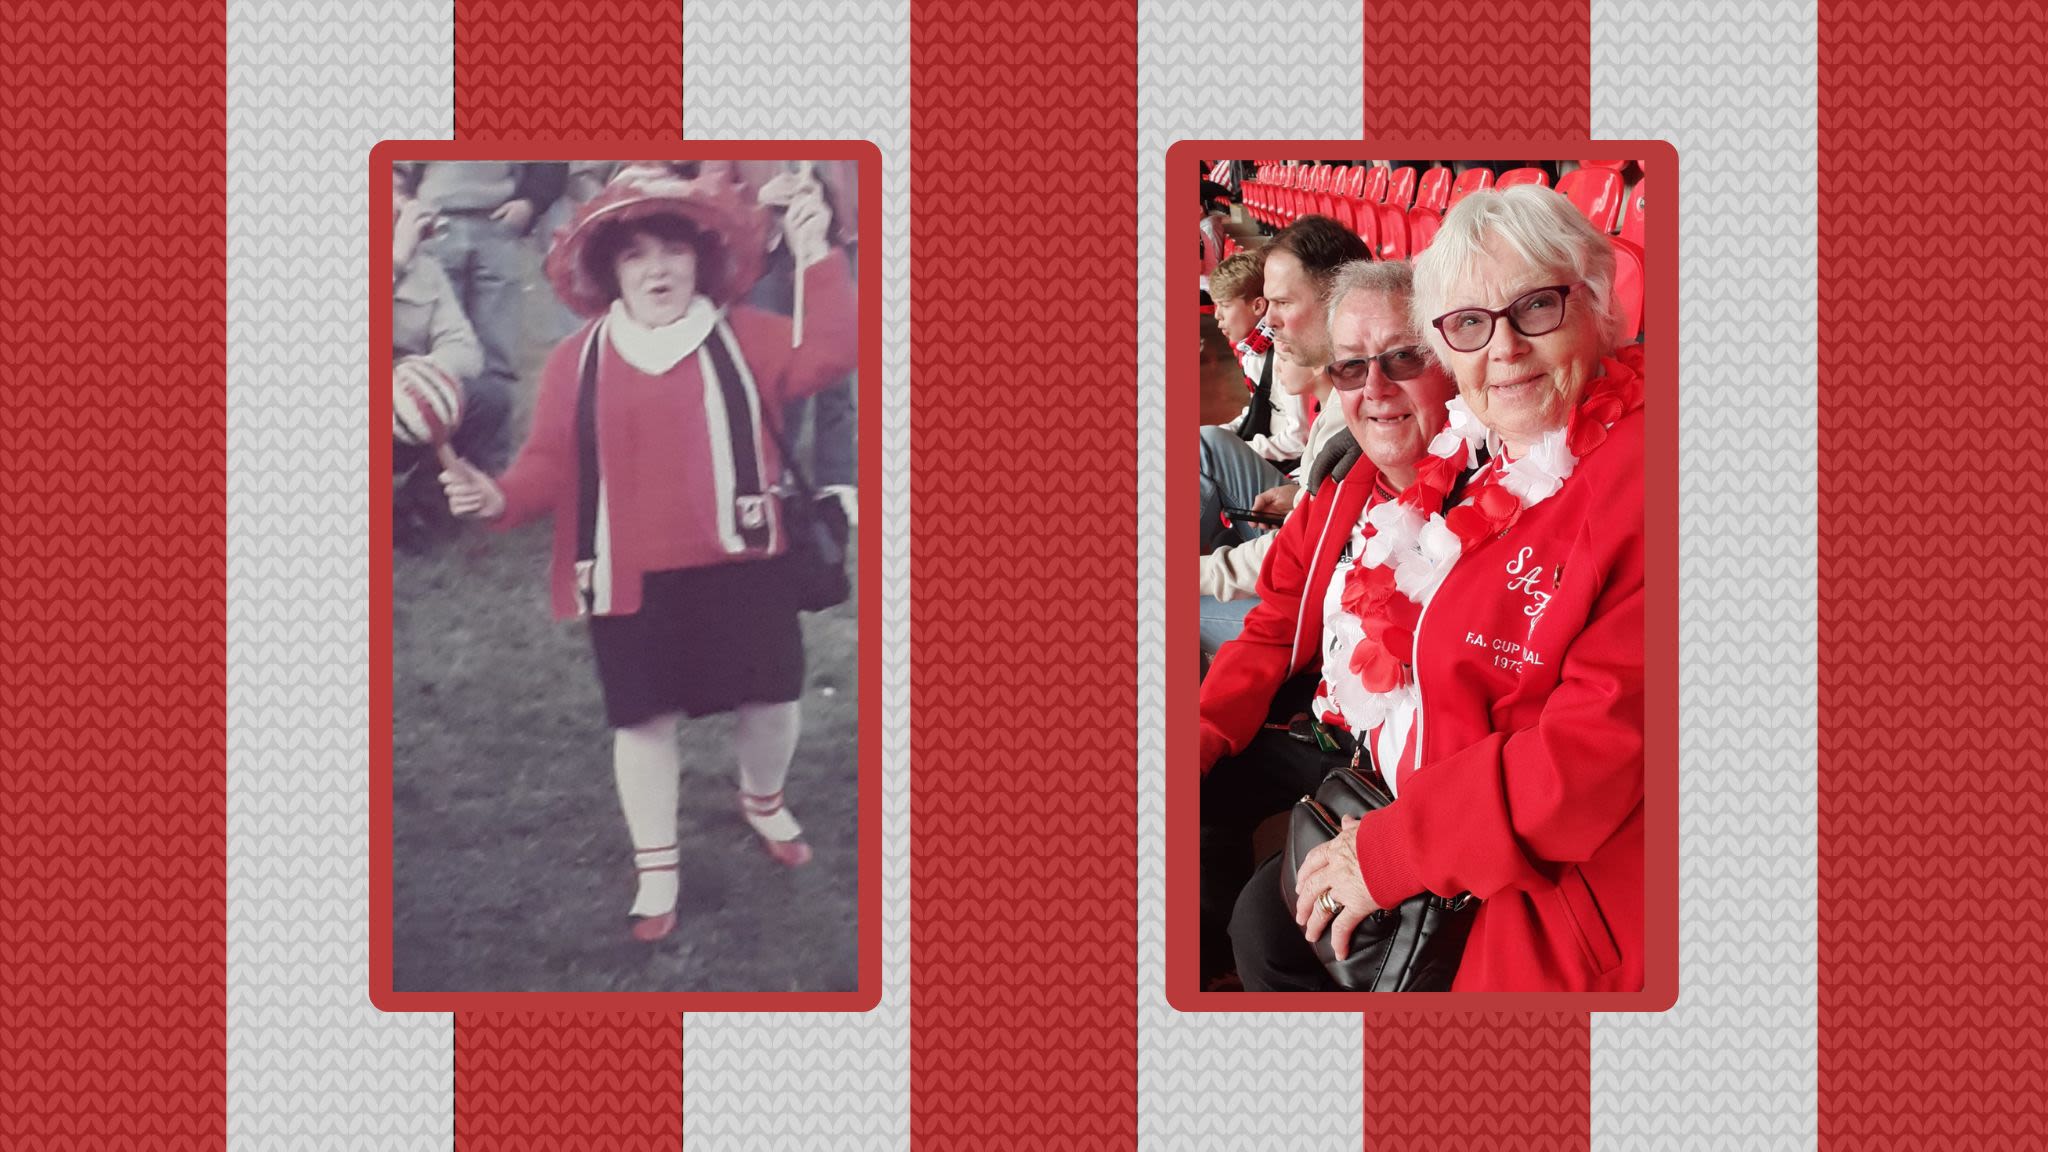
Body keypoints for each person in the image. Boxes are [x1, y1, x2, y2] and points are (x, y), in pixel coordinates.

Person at [1224, 185, 1646, 992]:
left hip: (1550, 893)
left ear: (1595, 303)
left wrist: (1389, 851)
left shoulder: (1644, 475)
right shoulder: (1483, 457)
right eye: (1469, 323)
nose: (1505, 348)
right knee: (1268, 920)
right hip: (1442, 817)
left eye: (1537, 307)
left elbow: (1584, 762)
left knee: (1272, 930)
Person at [437, 166, 856, 942]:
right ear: (607, 272)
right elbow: (549, 467)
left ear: (701, 260)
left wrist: (816, 250)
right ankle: (656, 866)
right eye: (636, 256)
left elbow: (831, 357)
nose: (658, 269)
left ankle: (763, 799)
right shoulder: (576, 361)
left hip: (745, 561)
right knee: (643, 723)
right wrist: (497, 497)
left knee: (771, 701)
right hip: (630, 575)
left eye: (673, 250)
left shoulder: (746, 335)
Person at [1193, 260, 1458, 981]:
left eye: (1403, 358)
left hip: (1404, 771)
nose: (1373, 390)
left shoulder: (1493, 498)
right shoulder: (1342, 484)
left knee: (1268, 926)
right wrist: (1205, 732)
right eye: (1349, 369)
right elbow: (1277, 620)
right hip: (1322, 726)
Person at [409, 160, 569, 470]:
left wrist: (531, 201)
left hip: (496, 226)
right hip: (434, 227)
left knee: (497, 359)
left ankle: (494, 469)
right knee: (440, 359)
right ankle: (437, 471)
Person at [389, 168, 482, 549]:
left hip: (406, 401)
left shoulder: (427, 269)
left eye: (399, 193)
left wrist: (423, 378)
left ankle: (420, 508)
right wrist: (394, 260)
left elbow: (465, 349)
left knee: (485, 396)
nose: (394, 203)